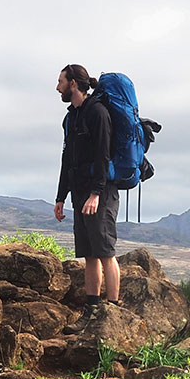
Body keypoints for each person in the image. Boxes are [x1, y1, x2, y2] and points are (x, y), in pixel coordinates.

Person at [54, 63, 119, 319]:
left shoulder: (98, 113)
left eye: (60, 81)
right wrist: (61, 196)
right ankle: (92, 311)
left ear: (73, 84)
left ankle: (113, 315)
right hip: (80, 193)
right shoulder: (71, 118)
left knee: (105, 252)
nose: (57, 87)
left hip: (100, 193)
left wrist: (96, 193)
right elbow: (66, 159)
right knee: (89, 254)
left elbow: (103, 156)